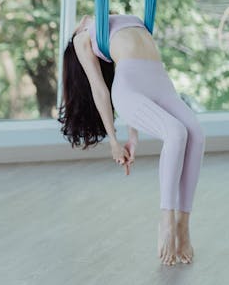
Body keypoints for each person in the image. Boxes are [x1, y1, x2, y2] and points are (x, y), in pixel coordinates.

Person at [57, 14, 206, 266]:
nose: (79, 19)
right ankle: (167, 221)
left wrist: (132, 138)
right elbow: (100, 89)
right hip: (130, 88)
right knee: (176, 133)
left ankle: (183, 223)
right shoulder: (84, 38)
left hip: (161, 85)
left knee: (197, 135)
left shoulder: (109, 20)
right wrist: (114, 141)